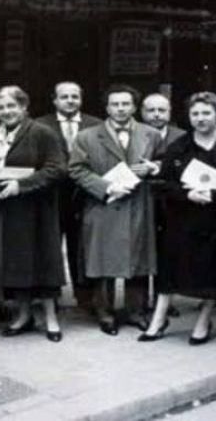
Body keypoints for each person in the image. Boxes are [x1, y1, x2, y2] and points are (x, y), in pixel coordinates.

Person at [140, 92, 216, 344]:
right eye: (195, 114)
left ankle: (204, 318)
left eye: (206, 113)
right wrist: (187, 194)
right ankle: (159, 317)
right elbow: (163, 184)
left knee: (213, 271)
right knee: (171, 270)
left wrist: (214, 194)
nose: (200, 119)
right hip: (182, 219)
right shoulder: (178, 147)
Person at [0, 85, 67, 342]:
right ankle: (23, 315)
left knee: (42, 262)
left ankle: (51, 319)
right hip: (2, 211)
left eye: (12, 106)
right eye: (1, 107)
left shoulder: (42, 133)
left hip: (35, 211)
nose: (6, 111)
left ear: (24, 107)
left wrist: (20, 185)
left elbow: (56, 168)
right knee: (15, 265)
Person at [69, 84, 164, 335]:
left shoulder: (151, 134)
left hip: (138, 204)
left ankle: (137, 310)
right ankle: (105, 312)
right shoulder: (87, 136)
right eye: (115, 104)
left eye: (125, 104)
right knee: (102, 260)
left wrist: (154, 167)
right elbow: (76, 169)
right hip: (103, 205)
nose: (120, 109)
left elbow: (166, 161)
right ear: (106, 107)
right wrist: (106, 187)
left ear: (134, 107)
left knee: (139, 259)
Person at [35, 82, 102, 311]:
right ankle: (49, 296)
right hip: (51, 194)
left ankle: (84, 297)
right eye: (64, 97)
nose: (70, 101)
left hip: (85, 194)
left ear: (81, 99)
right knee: (50, 245)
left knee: (82, 246)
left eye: (75, 96)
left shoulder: (96, 125)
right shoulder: (40, 125)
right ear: (54, 100)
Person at [140, 92, 187, 321]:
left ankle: (164, 300)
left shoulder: (182, 137)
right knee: (141, 249)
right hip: (142, 199)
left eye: (162, 110)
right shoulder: (134, 133)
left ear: (169, 113)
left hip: (171, 202)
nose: (156, 115)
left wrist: (159, 167)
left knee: (167, 252)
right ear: (142, 112)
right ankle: (139, 303)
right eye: (151, 110)